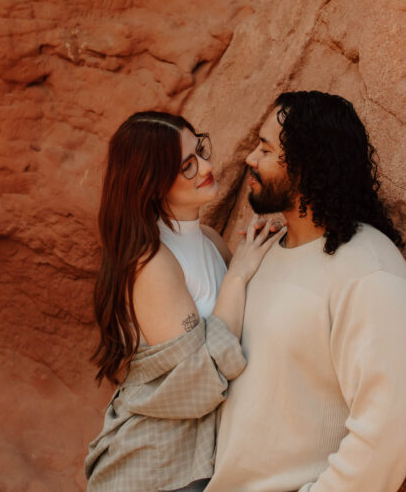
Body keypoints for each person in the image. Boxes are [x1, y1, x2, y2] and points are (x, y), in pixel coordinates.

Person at [207, 91, 406, 492]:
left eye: (265, 149)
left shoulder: (369, 272)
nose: (250, 159)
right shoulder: (267, 250)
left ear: (306, 168)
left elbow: (390, 430)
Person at [84, 111, 286, 492]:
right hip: (154, 470)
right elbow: (199, 382)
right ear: (152, 183)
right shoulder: (152, 263)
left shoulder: (208, 238)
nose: (207, 167)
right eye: (187, 166)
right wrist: (239, 272)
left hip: (202, 465)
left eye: (201, 151)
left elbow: (243, 324)